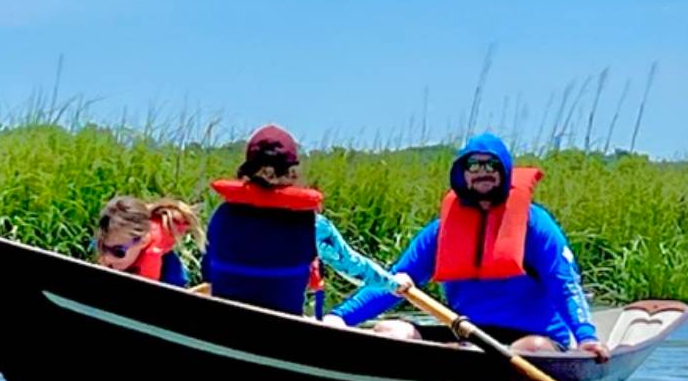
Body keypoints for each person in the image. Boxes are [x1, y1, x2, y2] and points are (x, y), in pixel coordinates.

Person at [325, 132, 611, 361]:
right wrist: (339, 318)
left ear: (504, 172)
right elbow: (393, 283)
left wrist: (586, 337)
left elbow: (565, 284)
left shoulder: (535, 225)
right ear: (462, 173)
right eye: (474, 165)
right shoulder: (440, 231)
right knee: (391, 330)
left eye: (491, 165)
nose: (482, 172)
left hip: (532, 339)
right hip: (468, 334)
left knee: (532, 348)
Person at [203, 124, 405, 315]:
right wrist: (393, 284)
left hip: (226, 321)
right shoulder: (313, 225)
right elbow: (352, 267)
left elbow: (208, 274)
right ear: (290, 173)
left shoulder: (222, 215)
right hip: (282, 326)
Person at [93, 195, 204, 286]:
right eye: (103, 247)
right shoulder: (108, 240)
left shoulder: (158, 262)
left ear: (143, 241)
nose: (107, 258)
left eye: (118, 252)